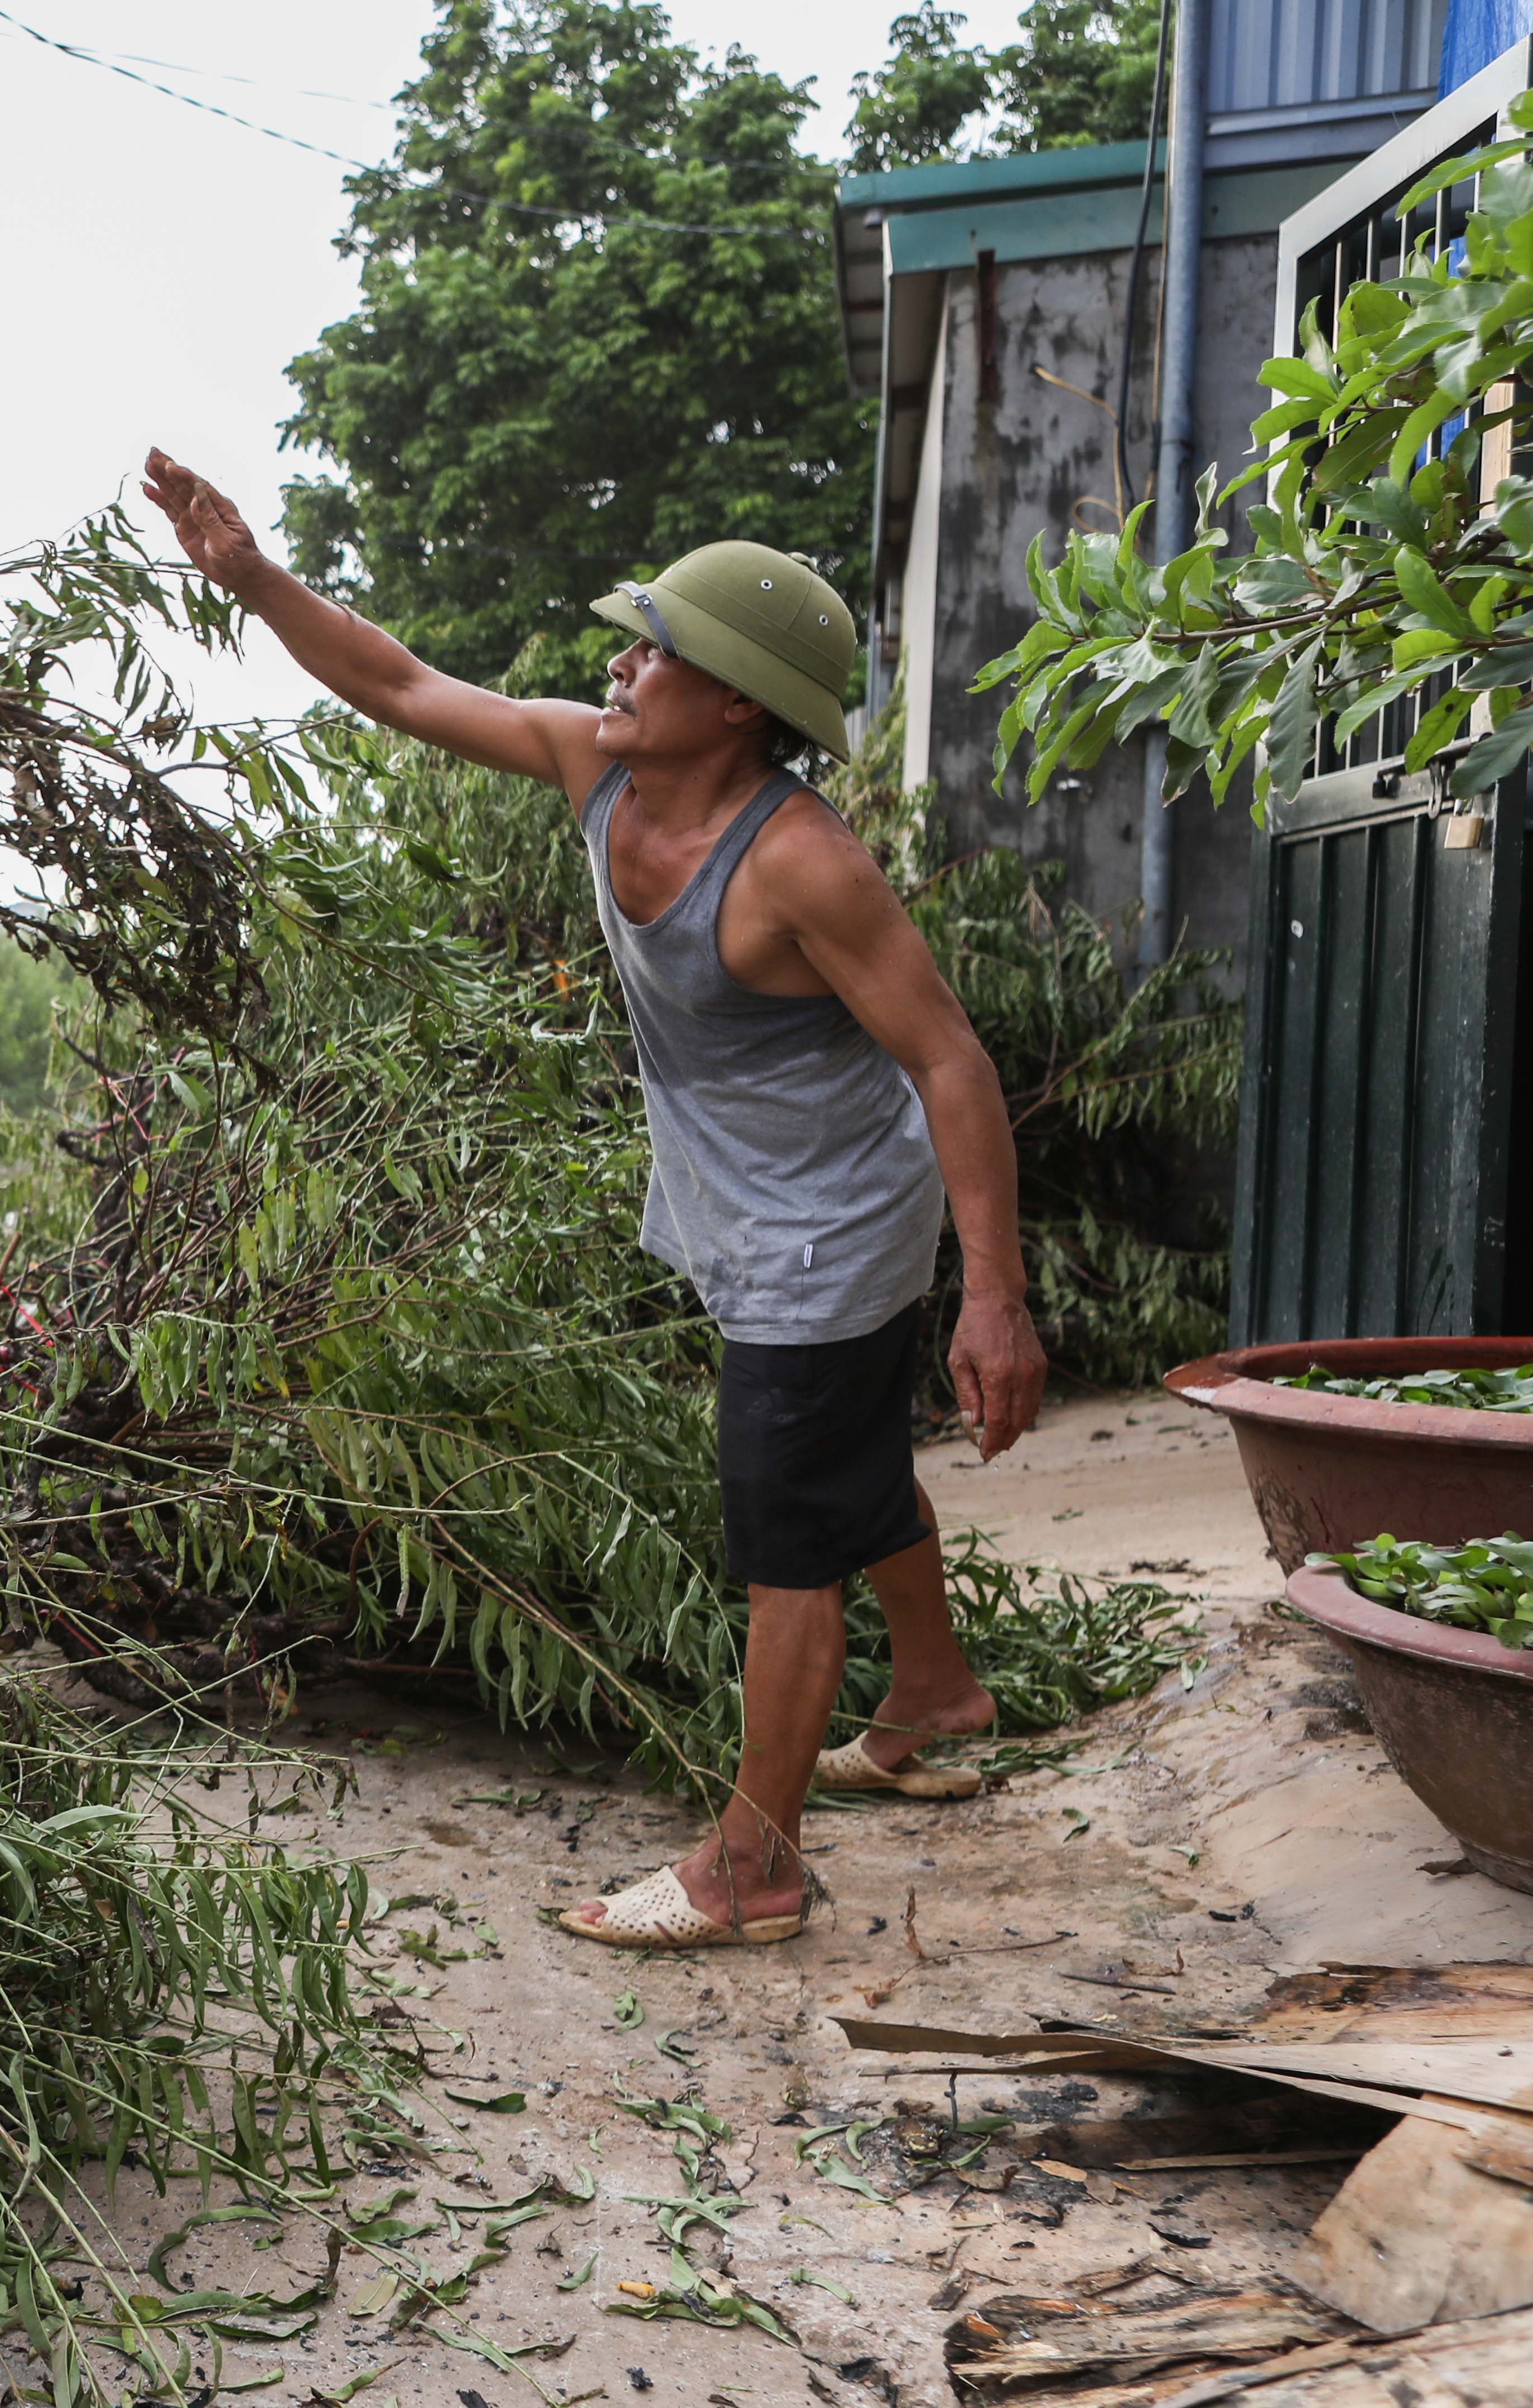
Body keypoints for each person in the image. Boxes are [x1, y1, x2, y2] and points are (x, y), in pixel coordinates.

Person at [141, 450, 1045, 1951]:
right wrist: (248, 577)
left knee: (785, 1532)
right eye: (630, 641)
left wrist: (995, 1300)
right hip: (744, 1196)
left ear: (739, 702)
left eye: (655, 648)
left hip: (826, 1227)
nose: (619, 663)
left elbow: (950, 1060)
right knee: (837, 1458)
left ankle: (753, 1868)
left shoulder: (802, 863)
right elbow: (399, 684)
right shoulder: (597, 767)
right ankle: (937, 1690)